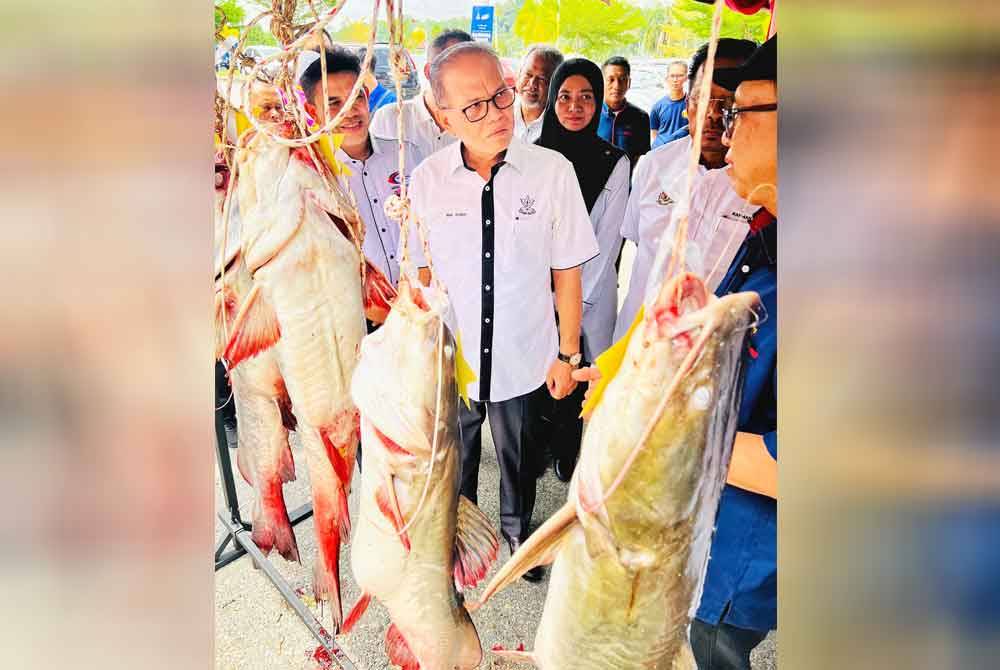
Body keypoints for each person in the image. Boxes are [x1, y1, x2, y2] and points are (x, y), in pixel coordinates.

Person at [404, 41, 599, 581]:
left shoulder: (552, 171)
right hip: (454, 360)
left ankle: (518, 536)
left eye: (502, 95)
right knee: (454, 461)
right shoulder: (426, 182)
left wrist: (566, 352)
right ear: (442, 116)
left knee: (518, 459)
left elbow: (567, 271)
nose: (496, 114)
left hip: (523, 353)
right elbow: (419, 276)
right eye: (474, 107)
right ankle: (456, 541)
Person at [615, 38, 758, 340]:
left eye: (729, 103)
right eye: (703, 98)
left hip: (707, 360)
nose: (713, 114)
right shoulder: (654, 165)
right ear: (687, 101)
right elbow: (639, 246)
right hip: (634, 347)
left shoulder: (765, 186)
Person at [534, 58, 629, 482]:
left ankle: (566, 450)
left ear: (598, 103)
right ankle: (534, 447)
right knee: (537, 371)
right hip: (535, 288)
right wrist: (542, 294)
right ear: (553, 99)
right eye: (566, 97)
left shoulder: (614, 160)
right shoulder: (530, 153)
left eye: (586, 97)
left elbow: (606, 243)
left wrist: (570, 299)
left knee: (576, 368)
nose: (575, 107)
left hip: (590, 291)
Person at [299, 47, 423, 294]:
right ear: (313, 112)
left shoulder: (406, 155)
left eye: (357, 97)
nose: (351, 112)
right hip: (355, 317)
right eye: (334, 103)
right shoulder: (310, 177)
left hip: (416, 307)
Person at [370, 29, 474, 161]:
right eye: (456, 69)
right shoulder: (390, 119)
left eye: (472, 71)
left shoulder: (479, 122)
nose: (466, 78)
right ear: (429, 72)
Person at [597, 56, 650, 169]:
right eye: (611, 80)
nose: (616, 86)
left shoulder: (641, 117)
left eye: (622, 79)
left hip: (627, 184)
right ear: (601, 82)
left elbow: (642, 158)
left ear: (629, 83)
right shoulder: (590, 114)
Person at [513, 45, 564, 143]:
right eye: (528, 74)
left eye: (542, 78)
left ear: (556, 85)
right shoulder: (502, 114)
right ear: (519, 74)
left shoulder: (561, 126)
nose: (532, 84)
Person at [649, 59, 689, 144]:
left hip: (683, 152)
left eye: (679, 76)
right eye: (672, 76)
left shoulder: (693, 105)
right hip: (661, 151)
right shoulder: (657, 107)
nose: (675, 80)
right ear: (667, 78)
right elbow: (654, 133)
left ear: (686, 78)